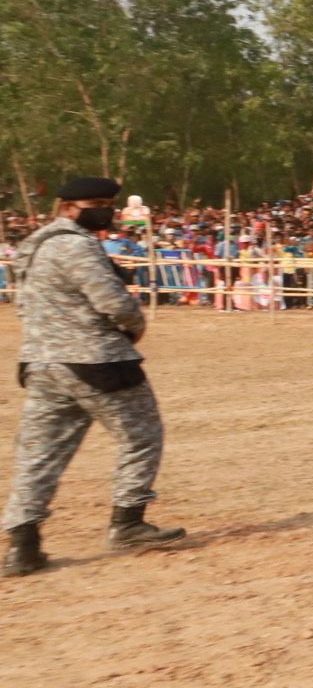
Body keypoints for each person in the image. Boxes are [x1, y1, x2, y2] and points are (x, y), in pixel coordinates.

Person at [3, 177, 186, 577]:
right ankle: (127, 522)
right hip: (96, 361)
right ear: (67, 208)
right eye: (95, 203)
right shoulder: (77, 245)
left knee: (39, 454)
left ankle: (22, 544)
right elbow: (111, 300)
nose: (104, 210)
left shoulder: (31, 249)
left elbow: (24, 307)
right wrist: (134, 324)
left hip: (40, 363)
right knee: (142, 435)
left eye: (108, 203)